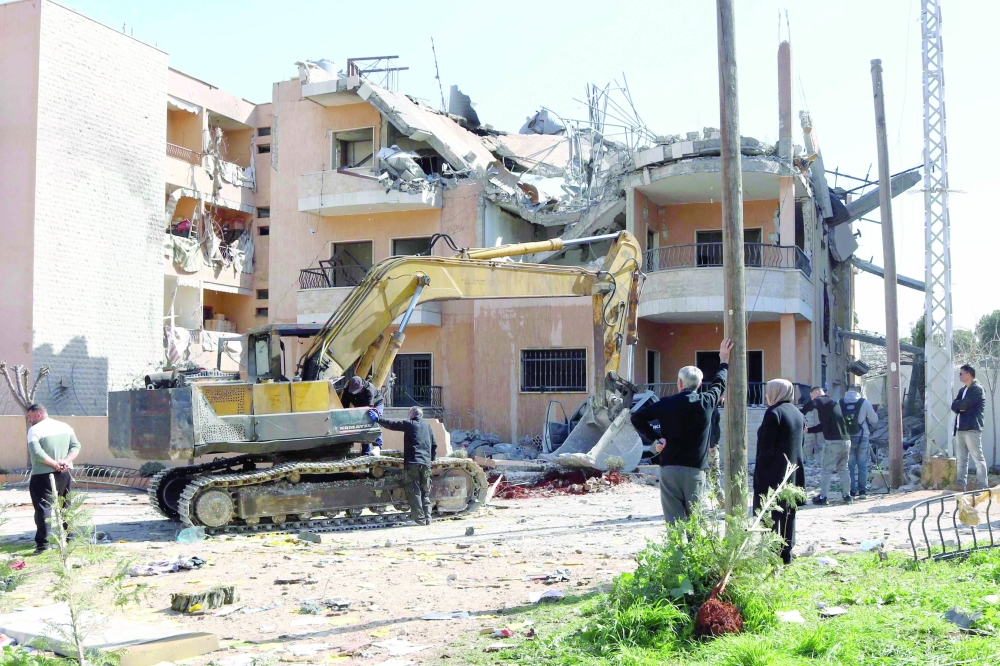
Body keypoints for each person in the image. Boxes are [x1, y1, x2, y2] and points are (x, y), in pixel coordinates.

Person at [631, 339, 732, 524]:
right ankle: (694, 553)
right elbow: (720, 383)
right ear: (700, 385)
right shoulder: (707, 401)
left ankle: (677, 552)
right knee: (695, 523)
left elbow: (636, 418)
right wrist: (723, 360)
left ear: (679, 383)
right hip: (695, 470)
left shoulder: (666, 403)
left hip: (669, 468)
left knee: (674, 524)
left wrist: (657, 439)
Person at [753, 379, 805, 565]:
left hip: (773, 474)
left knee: (769, 514)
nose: (766, 395)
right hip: (793, 472)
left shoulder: (773, 413)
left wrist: (759, 476)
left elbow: (766, 449)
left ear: (775, 393)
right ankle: (786, 555)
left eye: (768, 391)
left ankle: (769, 555)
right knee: (789, 513)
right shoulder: (798, 413)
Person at [25, 404, 80, 554]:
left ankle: (43, 545)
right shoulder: (65, 427)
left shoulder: (34, 430)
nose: (28, 420)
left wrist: (54, 464)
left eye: (29, 416)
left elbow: (37, 453)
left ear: (38, 415)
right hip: (64, 473)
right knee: (65, 506)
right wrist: (65, 462)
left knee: (43, 509)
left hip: (42, 474)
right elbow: (76, 447)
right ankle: (70, 539)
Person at [375, 406, 437, 525]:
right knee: (425, 491)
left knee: (414, 491)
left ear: (412, 415)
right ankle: (428, 518)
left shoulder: (410, 424)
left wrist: (378, 419)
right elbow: (434, 445)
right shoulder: (428, 427)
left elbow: (392, 424)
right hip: (425, 464)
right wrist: (430, 460)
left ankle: (419, 520)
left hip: (413, 463)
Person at [801, 386, 853, 505]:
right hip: (846, 441)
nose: (813, 399)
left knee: (826, 470)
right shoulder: (833, 405)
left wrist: (801, 412)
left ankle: (823, 497)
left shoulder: (823, 400)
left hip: (833, 443)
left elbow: (814, 403)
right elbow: (824, 425)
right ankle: (847, 496)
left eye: (812, 396)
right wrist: (809, 430)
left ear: (818, 393)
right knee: (843, 470)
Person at [950, 364, 988, 491]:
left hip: (971, 428)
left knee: (978, 459)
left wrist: (960, 406)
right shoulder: (963, 390)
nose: (959, 376)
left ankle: (983, 486)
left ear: (968, 374)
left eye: (961, 373)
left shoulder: (977, 389)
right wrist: (958, 405)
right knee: (961, 460)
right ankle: (960, 485)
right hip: (960, 428)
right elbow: (954, 405)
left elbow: (965, 405)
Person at [841, 384, 879, 499]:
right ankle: (862, 491)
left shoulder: (840, 402)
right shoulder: (865, 402)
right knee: (862, 464)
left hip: (847, 437)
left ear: (848, 390)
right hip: (863, 436)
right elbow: (874, 420)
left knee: (850, 465)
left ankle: (851, 491)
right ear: (859, 391)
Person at [343, 375, 385, 455]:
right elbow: (344, 406)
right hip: (360, 406)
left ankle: (377, 447)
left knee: (374, 421)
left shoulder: (369, 389)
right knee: (362, 425)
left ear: (361, 387)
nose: (353, 393)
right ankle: (366, 452)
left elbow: (369, 407)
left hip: (375, 404)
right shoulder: (347, 390)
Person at [707, 394, 725, 509]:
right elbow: (710, 427)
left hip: (713, 446)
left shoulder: (713, 407)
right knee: (710, 474)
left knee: (715, 474)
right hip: (710, 447)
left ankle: (722, 501)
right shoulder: (711, 408)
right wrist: (711, 445)